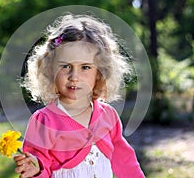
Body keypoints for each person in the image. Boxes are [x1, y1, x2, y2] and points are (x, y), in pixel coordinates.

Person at [13, 14, 145, 178]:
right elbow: (40, 166)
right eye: (66, 66)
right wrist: (35, 170)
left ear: (99, 72)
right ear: (50, 69)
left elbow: (124, 161)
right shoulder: (44, 121)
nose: (74, 76)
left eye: (85, 67)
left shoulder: (108, 116)